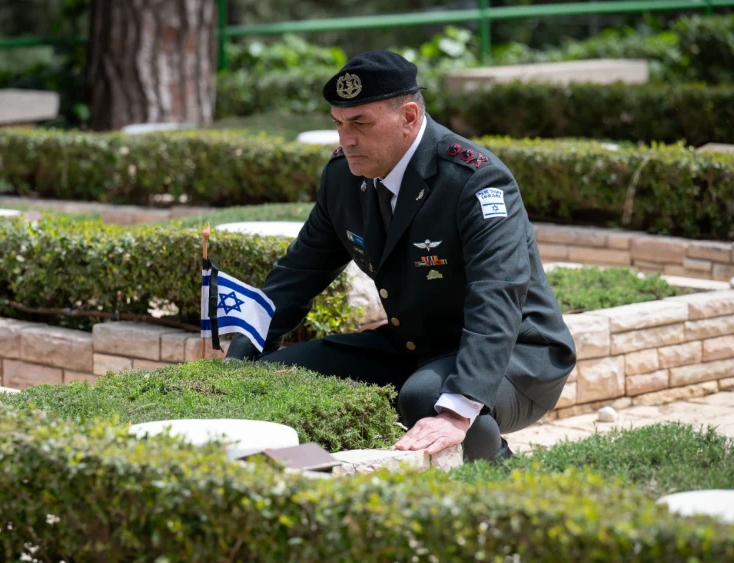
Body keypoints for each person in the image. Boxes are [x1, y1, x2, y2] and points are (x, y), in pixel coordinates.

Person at [223, 50, 577, 462]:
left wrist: (458, 408)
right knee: (277, 377)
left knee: (429, 397)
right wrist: (238, 362)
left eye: (360, 123)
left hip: (518, 354)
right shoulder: (343, 178)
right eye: (338, 124)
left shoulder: (474, 179)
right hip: (414, 345)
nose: (345, 139)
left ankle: (502, 480)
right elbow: (296, 275)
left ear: (409, 117)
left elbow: (498, 293)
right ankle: (319, 477)